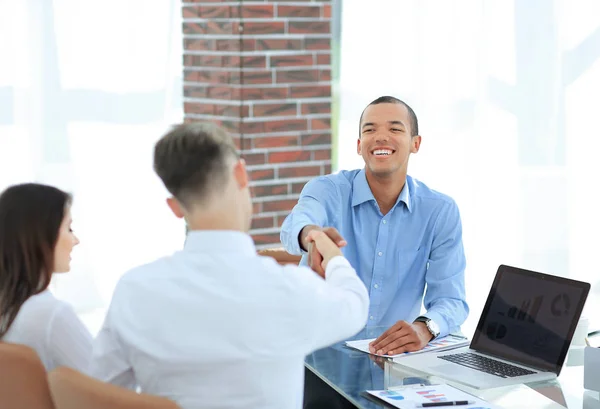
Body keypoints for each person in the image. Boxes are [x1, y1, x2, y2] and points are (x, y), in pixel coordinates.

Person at [89, 122, 369, 409]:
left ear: (174, 206)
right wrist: (332, 256)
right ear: (240, 173)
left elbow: (97, 390)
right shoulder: (289, 289)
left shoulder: (135, 289)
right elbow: (356, 305)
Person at [281, 96, 469, 356]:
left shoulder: (440, 211)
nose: (381, 137)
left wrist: (425, 328)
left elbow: (451, 300)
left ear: (416, 143)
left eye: (395, 129)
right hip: (316, 356)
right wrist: (310, 235)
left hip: (391, 360)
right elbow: (296, 224)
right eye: (370, 130)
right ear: (359, 146)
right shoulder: (326, 190)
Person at [0, 183, 92, 372]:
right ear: (42, 235)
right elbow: (106, 387)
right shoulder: (50, 314)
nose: (75, 240)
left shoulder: (8, 309)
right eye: (69, 228)